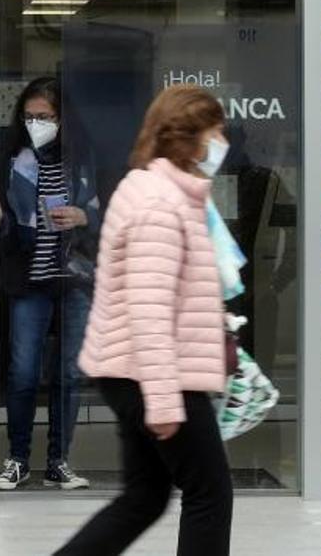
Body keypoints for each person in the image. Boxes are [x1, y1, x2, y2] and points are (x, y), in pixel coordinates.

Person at [56, 84, 232, 556]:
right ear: (189, 137)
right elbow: (149, 310)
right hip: (154, 376)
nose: (222, 142)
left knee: (145, 497)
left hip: (134, 372)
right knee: (210, 494)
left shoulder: (157, 190)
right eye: (216, 131)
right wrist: (164, 402)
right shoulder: (159, 203)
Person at [0, 77, 100, 491]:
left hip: (73, 277)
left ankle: (59, 460)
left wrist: (83, 217)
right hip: (29, 277)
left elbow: (105, 211)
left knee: (68, 375)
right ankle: (17, 458)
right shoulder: (11, 158)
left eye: (46, 117)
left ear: (62, 119)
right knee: (23, 371)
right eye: (30, 116)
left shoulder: (82, 160)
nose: (36, 123)